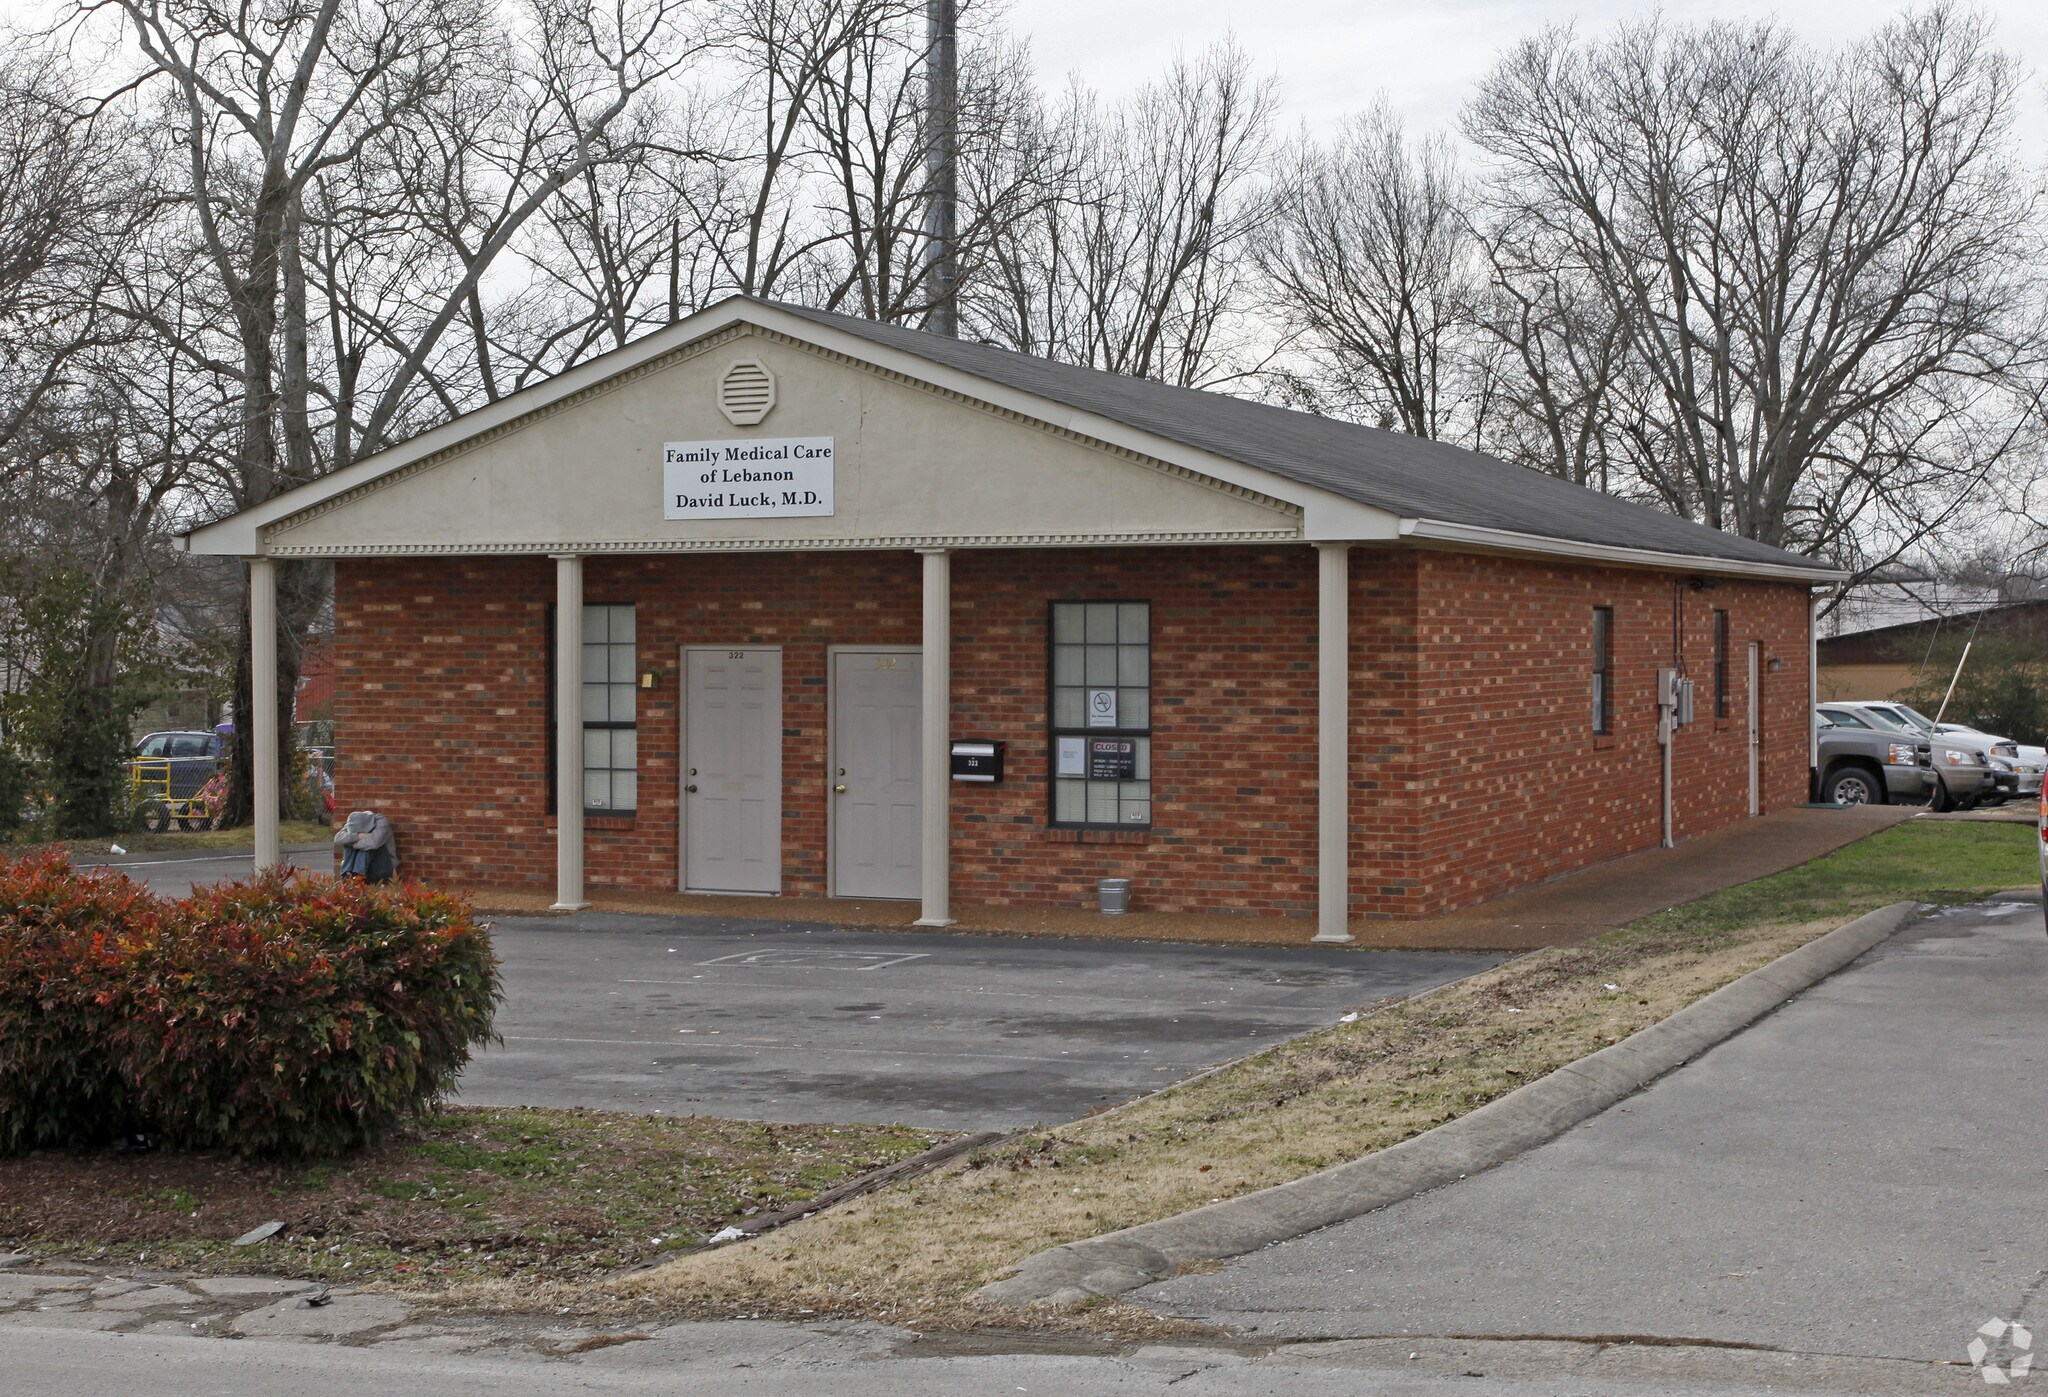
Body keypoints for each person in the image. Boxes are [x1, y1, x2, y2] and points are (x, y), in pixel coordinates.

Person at [334, 809, 399, 883]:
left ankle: (358, 875)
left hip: (383, 866)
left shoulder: (382, 823)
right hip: (359, 866)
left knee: (366, 847)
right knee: (350, 841)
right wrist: (358, 836)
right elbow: (338, 838)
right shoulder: (354, 822)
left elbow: (374, 843)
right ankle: (348, 874)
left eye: (360, 832)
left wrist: (352, 843)